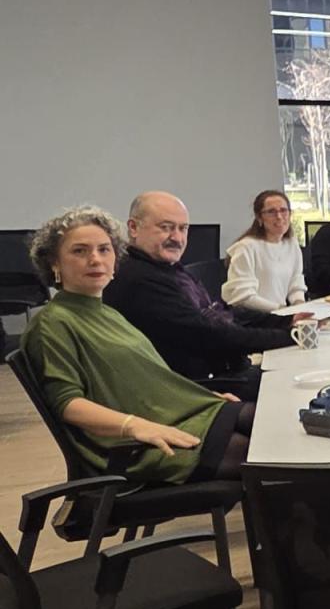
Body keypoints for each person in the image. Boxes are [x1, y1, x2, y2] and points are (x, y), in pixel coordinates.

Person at [22, 206, 255, 487]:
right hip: (131, 447)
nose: (95, 259)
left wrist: (200, 395)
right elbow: (68, 403)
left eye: (104, 250)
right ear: (54, 264)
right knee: (265, 455)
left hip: (178, 416)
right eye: (80, 251)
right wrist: (136, 426)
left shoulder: (106, 312)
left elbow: (145, 379)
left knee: (269, 423)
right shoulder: (52, 323)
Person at [103, 191, 297, 393]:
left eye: (183, 228)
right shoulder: (141, 279)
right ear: (133, 228)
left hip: (223, 372)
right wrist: (288, 336)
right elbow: (209, 334)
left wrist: (285, 322)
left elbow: (221, 313)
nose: (177, 238)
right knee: (289, 386)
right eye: (165, 227)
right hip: (197, 387)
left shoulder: (166, 267)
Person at [222, 189, 307, 311]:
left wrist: (299, 305)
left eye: (283, 210)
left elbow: (296, 283)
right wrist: (282, 310)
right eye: (271, 212)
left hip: (281, 314)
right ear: (259, 218)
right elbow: (243, 297)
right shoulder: (246, 247)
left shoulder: (291, 244)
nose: (279, 217)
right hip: (256, 317)